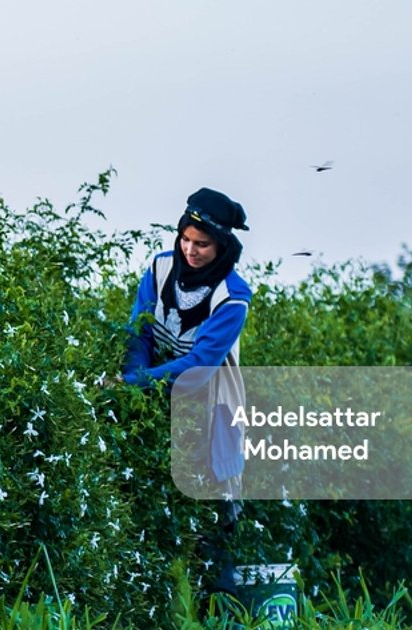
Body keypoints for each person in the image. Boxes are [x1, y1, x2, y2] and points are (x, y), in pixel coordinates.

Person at [121, 187, 252, 596]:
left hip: (211, 408)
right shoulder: (160, 268)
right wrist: (133, 378)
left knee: (212, 519)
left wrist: (134, 384)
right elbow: (139, 331)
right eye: (186, 240)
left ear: (222, 246)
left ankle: (219, 609)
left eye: (203, 244)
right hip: (156, 394)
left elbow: (199, 366)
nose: (191, 251)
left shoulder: (233, 297)